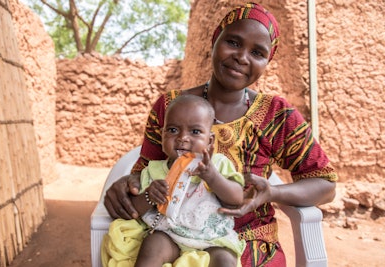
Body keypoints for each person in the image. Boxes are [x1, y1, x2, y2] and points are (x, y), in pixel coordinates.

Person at [103, 2, 338, 266]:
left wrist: (272, 193)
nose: (242, 57)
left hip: (247, 241)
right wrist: (127, 184)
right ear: (215, 40)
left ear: (267, 61)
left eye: (257, 52)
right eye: (234, 42)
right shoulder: (171, 106)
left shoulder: (277, 115)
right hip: (168, 236)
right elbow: (148, 169)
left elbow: (325, 183)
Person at [130, 94, 245, 267]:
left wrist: (212, 177)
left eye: (195, 131)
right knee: (151, 246)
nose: (182, 138)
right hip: (169, 235)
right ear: (162, 136)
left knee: (225, 260)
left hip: (213, 239)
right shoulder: (154, 170)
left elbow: (237, 199)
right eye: (173, 130)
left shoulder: (218, 164)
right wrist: (149, 196)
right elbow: (134, 210)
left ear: (210, 141)